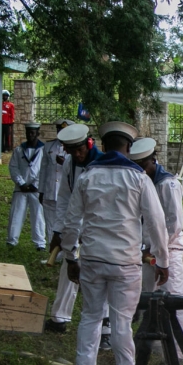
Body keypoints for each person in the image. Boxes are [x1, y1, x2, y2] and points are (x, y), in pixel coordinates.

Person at [60, 121, 170, 365]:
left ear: (102, 145)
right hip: (125, 262)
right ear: (129, 147)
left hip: (93, 259)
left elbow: (71, 222)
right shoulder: (139, 178)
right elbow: (157, 223)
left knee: (90, 317)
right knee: (121, 323)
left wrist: (71, 256)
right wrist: (163, 260)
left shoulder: (87, 176)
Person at [131, 138, 183, 351]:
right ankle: (156, 348)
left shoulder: (168, 184)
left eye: (144, 166)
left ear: (152, 161)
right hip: (148, 251)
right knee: (152, 299)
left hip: (169, 250)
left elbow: (174, 223)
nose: (141, 171)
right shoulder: (141, 182)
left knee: (174, 299)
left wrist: (158, 247)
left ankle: (179, 353)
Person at [44, 124, 102, 334]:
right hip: (73, 225)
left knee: (99, 278)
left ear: (89, 144)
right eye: (71, 151)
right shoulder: (70, 163)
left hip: (97, 228)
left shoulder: (102, 165)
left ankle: (105, 326)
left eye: (80, 150)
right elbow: (64, 198)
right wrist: (58, 231)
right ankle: (59, 318)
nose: (77, 155)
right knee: (68, 268)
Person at [7, 123, 47, 250]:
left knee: (38, 216)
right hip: (21, 189)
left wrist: (36, 184)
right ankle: (12, 240)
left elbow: (45, 169)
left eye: (33, 132)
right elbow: (13, 167)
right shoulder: (19, 150)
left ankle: (40, 243)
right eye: (28, 132)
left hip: (36, 189)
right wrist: (21, 183)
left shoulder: (44, 150)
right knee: (16, 214)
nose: (30, 135)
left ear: (38, 133)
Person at [39, 119, 72, 238]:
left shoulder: (74, 148)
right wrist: (41, 191)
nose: (60, 133)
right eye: (59, 130)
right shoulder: (49, 146)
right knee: (50, 224)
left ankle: (67, 249)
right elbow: (43, 170)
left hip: (66, 193)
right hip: (50, 191)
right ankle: (52, 248)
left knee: (67, 224)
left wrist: (65, 163)